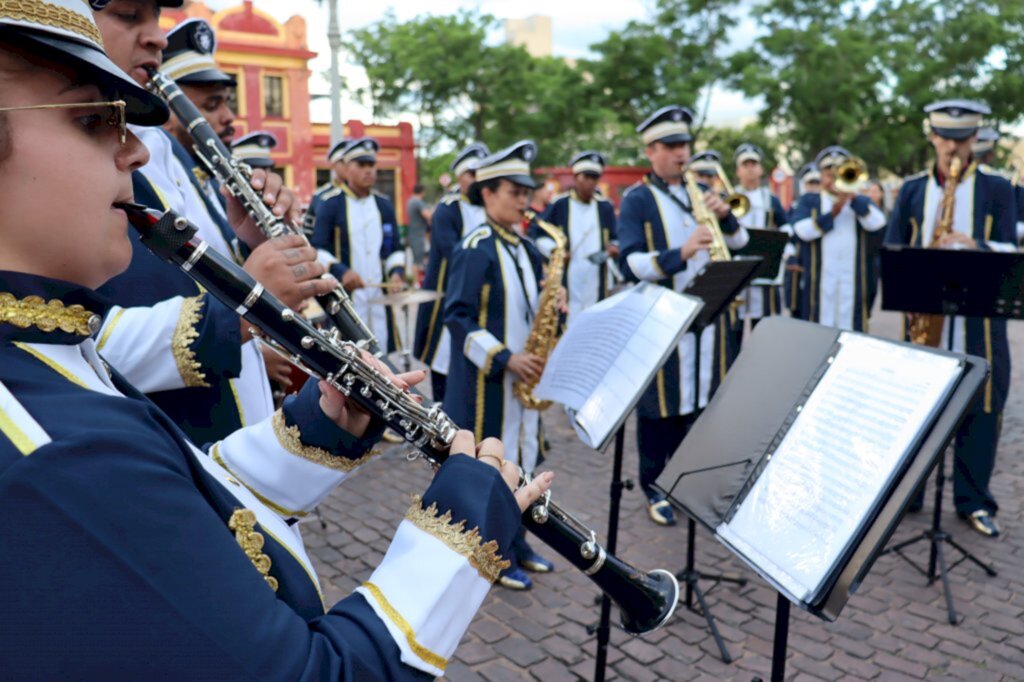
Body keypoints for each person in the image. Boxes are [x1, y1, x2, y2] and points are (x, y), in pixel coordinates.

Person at [0, 6, 554, 678]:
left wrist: (318, 431)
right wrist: (462, 528)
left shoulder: (46, 344)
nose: (137, 150)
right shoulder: (56, 455)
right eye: (94, 120)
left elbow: (190, 494)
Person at [92, 8, 330, 443]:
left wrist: (248, 243)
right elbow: (82, 345)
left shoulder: (171, 153)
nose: (158, 40)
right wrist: (246, 310)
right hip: (175, 448)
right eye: (128, 15)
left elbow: (187, 275)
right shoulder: (81, 160)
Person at [886, 100, 1016, 537]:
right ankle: (910, 494)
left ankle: (973, 499)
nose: (955, 148)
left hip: (979, 321)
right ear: (933, 137)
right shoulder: (912, 189)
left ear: (974, 140)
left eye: (963, 139)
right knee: (914, 408)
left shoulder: (998, 188)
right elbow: (892, 248)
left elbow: (1010, 251)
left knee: (983, 406)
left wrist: (974, 245)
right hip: (923, 319)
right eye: (947, 138)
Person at [618, 105, 748, 526]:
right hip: (663, 321)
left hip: (708, 316)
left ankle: (689, 482)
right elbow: (631, 263)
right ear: (650, 150)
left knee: (700, 404)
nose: (681, 153)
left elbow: (743, 241)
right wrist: (683, 252)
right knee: (660, 408)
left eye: (685, 145)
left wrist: (726, 218)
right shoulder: (637, 199)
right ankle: (654, 485)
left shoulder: (702, 187)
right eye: (672, 146)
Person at [443, 141, 559, 590]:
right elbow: (457, 317)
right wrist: (506, 358)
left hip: (523, 386)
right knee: (492, 463)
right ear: (488, 193)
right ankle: (491, 551)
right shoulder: (475, 248)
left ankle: (517, 540)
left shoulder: (528, 248)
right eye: (514, 190)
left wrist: (558, 305)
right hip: (487, 386)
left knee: (525, 457)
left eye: (527, 190)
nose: (524, 199)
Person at [312, 137, 404, 352]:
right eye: (361, 165)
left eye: (371, 165)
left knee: (383, 353)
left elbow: (395, 248)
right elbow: (317, 247)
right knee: (350, 352)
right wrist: (341, 270)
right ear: (347, 168)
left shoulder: (384, 204)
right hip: (346, 297)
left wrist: (397, 272)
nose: (368, 171)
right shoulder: (331, 203)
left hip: (379, 295)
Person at [413, 142, 489, 402]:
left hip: (482, 301)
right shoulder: (448, 207)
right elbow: (453, 252)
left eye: (482, 172)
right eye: (472, 173)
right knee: (443, 359)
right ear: (460, 176)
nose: (478, 179)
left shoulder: (491, 206)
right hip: (447, 301)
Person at [790, 145, 887, 331]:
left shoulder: (860, 201)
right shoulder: (810, 200)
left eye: (838, 170)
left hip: (853, 280)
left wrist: (852, 199)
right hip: (820, 280)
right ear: (821, 175)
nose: (834, 177)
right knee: (820, 328)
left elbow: (877, 223)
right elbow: (801, 231)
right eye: (828, 171)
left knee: (851, 327)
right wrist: (831, 215)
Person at [538, 151, 618, 322]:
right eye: (586, 177)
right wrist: (556, 251)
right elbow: (537, 234)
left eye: (595, 177)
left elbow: (615, 236)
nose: (590, 182)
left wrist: (613, 248)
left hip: (596, 274)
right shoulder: (560, 205)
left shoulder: (605, 207)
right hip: (569, 273)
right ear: (576, 177)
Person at [733, 142, 792, 337]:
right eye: (745, 165)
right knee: (735, 328)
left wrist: (782, 247)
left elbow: (785, 227)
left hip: (764, 270)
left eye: (753, 164)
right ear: (738, 170)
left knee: (764, 328)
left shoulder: (770, 199)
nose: (750, 169)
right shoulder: (730, 196)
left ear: (760, 169)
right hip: (738, 269)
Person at [303, 137, 350, 236]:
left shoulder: (365, 195)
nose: (348, 165)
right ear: (333, 165)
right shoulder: (320, 196)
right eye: (343, 161)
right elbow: (309, 232)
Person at [405, 183, 431, 272]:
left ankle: (415, 283)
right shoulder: (417, 202)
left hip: (413, 234)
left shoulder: (410, 201)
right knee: (418, 262)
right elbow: (428, 215)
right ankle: (417, 284)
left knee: (416, 261)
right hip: (419, 235)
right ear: (422, 192)